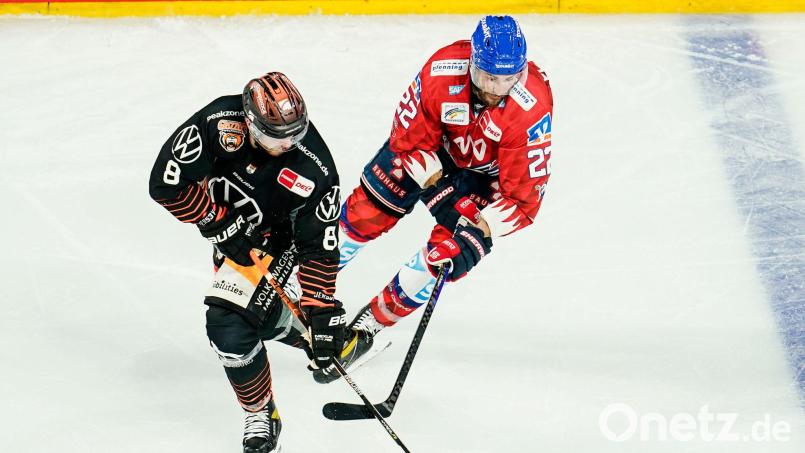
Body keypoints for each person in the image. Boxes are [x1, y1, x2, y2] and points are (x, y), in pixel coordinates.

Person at [315, 15, 554, 384]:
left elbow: (522, 198)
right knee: (367, 212)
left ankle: (369, 327)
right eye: (489, 77)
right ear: (472, 62)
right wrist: (438, 189)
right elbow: (409, 140)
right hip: (431, 153)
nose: (497, 89)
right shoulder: (442, 72)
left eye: (508, 79)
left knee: (440, 259)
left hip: (483, 179)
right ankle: (310, 282)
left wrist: (482, 230)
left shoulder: (531, 108)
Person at [149, 72, 347, 453]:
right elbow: (164, 182)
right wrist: (216, 220)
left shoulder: (315, 168)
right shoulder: (217, 123)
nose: (286, 144)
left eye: (295, 134)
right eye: (276, 137)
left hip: (278, 238)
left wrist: (320, 306)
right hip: (231, 232)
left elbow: (318, 244)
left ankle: (260, 412)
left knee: (229, 326)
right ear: (249, 121)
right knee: (256, 316)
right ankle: (312, 335)